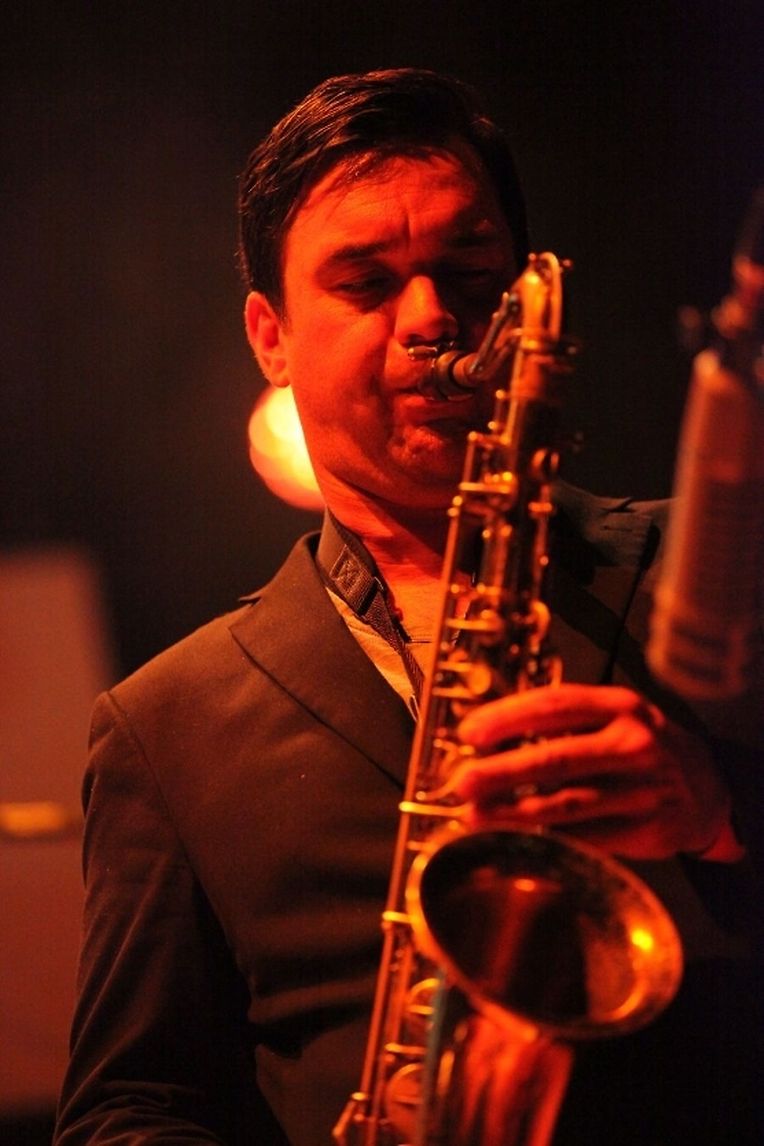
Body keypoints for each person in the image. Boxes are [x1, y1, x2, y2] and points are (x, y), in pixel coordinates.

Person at [54, 69, 762, 1145]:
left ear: (523, 296)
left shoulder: (724, 570)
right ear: (270, 337)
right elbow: (130, 1109)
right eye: (365, 283)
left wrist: (721, 814)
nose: (432, 317)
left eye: (468, 272)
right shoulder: (164, 725)